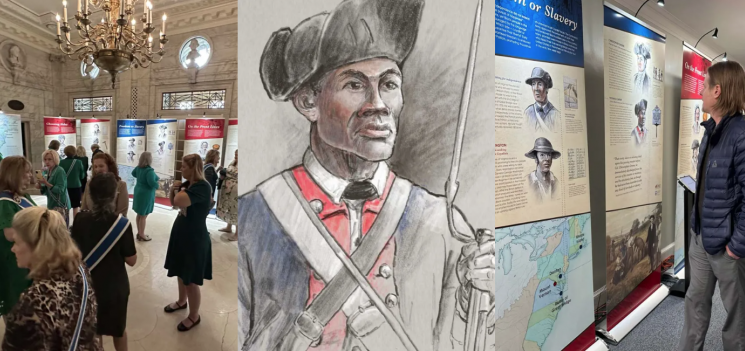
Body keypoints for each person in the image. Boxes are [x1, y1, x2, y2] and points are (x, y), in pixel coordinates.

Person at [240, 0, 495, 348]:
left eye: (389, 84)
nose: (378, 104)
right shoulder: (254, 218)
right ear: (308, 103)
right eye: (355, 85)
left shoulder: (440, 224)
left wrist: (474, 302)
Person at [679, 60, 745, 351]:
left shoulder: (744, 135)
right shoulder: (711, 130)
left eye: (704, 85)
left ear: (718, 91)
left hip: (728, 247)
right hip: (701, 240)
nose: (700, 92)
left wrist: (737, 245)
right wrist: (697, 231)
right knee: (694, 306)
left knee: (736, 317)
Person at [4, 206, 101, 350]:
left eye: (17, 242)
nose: (13, 249)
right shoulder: (78, 268)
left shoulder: (33, 303)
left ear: (37, 247)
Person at [72, 173, 138, 351]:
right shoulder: (122, 224)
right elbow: (131, 260)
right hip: (115, 288)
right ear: (114, 195)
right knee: (118, 331)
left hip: (88, 286)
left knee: (94, 331)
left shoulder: (80, 219)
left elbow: (73, 252)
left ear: (90, 195)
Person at [164, 154, 213, 332]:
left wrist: (177, 190)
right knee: (180, 272)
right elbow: (173, 202)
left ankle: (194, 316)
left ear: (193, 168)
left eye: (184, 166)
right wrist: (173, 189)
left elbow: (179, 200)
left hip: (194, 237)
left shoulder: (202, 187)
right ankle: (181, 301)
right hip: (182, 233)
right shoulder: (189, 185)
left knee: (191, 280)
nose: (181, 169)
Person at [0, 156, 36, 322]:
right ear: (13, 175)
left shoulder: (21, 196)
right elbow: (11, 234)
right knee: (15, 296)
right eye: (26, 173)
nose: (30, 175)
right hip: (10, 256)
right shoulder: (3, 201)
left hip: (22, 254)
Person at [81, 152, 129, 217]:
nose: (97, 169)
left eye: (101, 166)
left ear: (109, 167)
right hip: (91, 224)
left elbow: (122, 212)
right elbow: (84, 208)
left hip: (113, 225)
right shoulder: (89, 183)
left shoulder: (121, 185)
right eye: (95, 166)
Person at [132, 152, 159, 241]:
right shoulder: (149, 171)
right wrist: (158, 185)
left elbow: (133, 173)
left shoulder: (138, 168)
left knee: (139, 214)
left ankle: (139, 233)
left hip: (138, 191)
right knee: (143, 215)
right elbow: (152, 183)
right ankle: (142, 234)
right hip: (146, 194)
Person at [39, 149, 70, 225]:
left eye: (49, 159)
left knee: (60, 229)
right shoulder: (47, 171)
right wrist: (40, 185)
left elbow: (60, 189)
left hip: (60, 204)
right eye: (45, 159)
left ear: (55, 159)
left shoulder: (60, 171)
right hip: (51, 203)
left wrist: (46, 183)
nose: (47, 162)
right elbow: (45, 190)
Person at [523, 67, 560, 132]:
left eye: (539, 84)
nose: (536, 88)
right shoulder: (527, 113)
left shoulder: (556, 115)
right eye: (533, 84)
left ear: (547, 88)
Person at [217, 150, 237, 241]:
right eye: (235, 154)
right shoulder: (233, 162)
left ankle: (237, 233)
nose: (235, 156)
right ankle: (228, 227)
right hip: (228, 189)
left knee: (235, 209)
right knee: (228, 208)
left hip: (236, 190)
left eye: (237, 155)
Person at [60, 145, 85, 220]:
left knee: (65, 206)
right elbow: (82, 175)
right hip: (76, 186)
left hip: (65, 187)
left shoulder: (61, 162)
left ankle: (65, 222)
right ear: (74, 152)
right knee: (75, 206)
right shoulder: (78, 162)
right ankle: (75, 223)